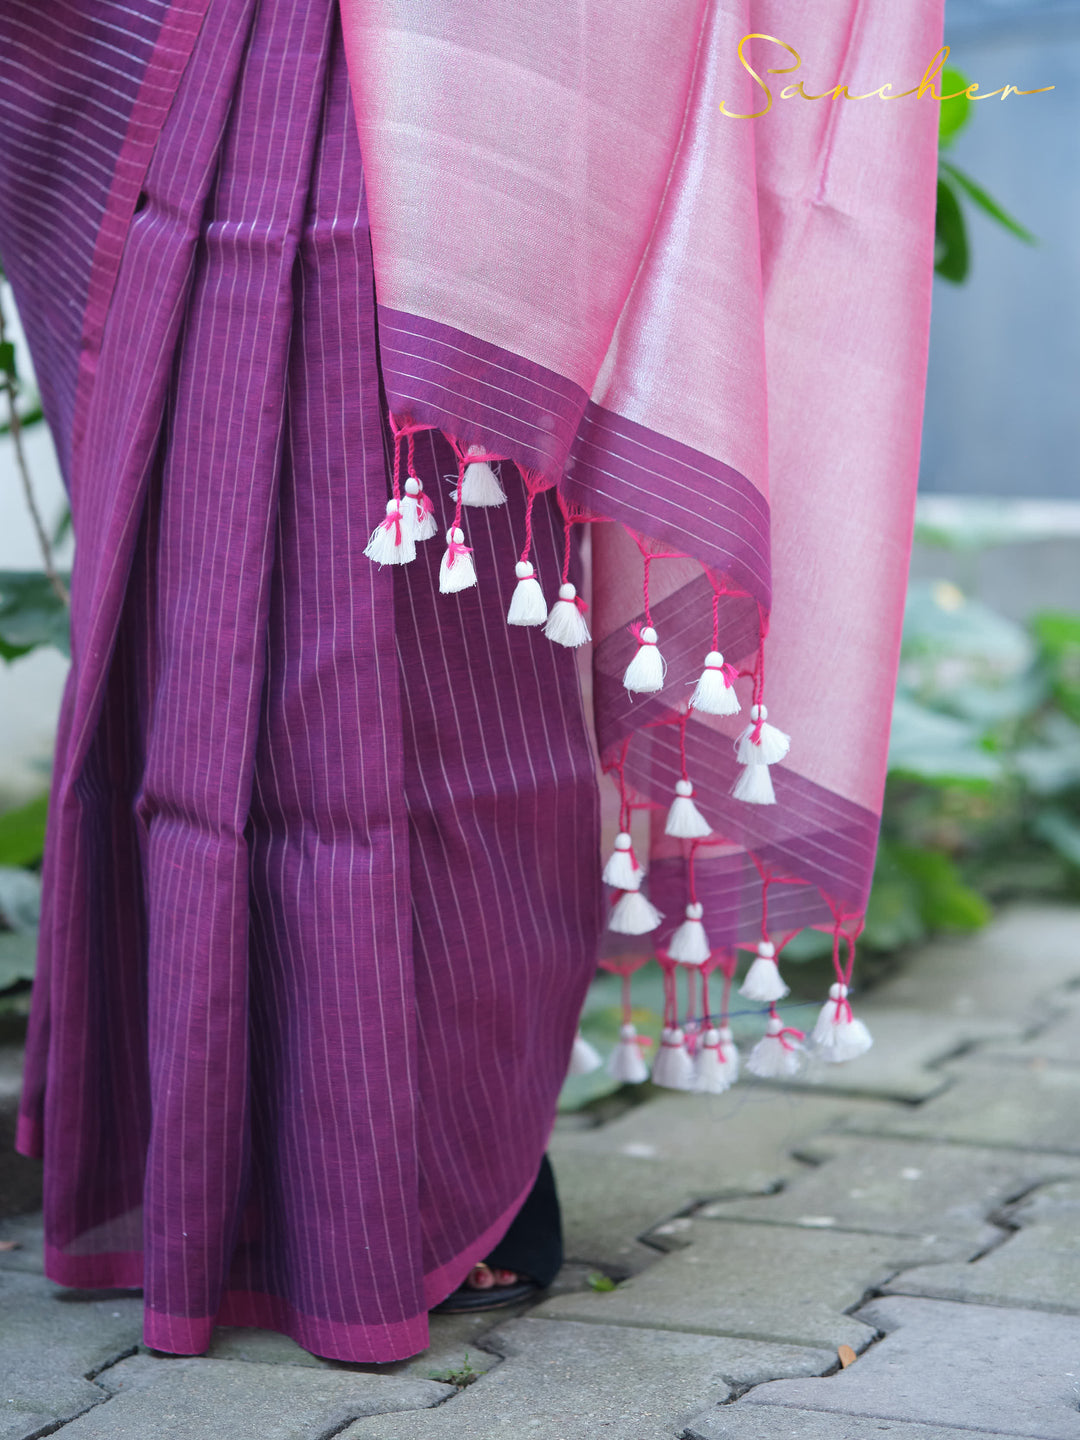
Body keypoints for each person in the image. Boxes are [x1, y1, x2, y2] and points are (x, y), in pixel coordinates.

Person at [0, 0, 943, 1361]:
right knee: (182, 601)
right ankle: (209, 1153)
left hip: (438, 60)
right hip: (146, 43)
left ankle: (413, 1153)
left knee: (423, 607)